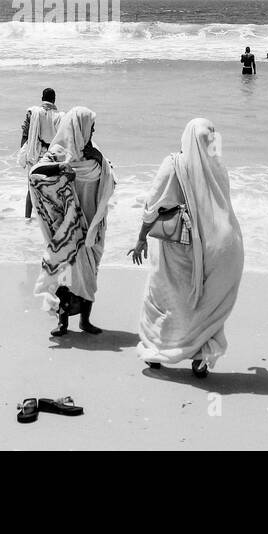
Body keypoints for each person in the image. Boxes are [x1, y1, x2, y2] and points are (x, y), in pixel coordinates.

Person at [128, 118, 243, 377]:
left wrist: (141, 238)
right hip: (216, 250)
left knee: (166, 299)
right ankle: (200, 357)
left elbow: (153, 205)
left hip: (176, 250)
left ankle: (156, 351)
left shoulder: (175, 164)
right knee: (201, 304)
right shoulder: (218, 168)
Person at [28, 107, 115, 337]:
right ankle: (62, 322)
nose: (93, 130)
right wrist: (60, 167)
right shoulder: (57, 152)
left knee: (89, 273)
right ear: (78, 127)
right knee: (65, 274)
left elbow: (110, 182)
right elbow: (35, 173)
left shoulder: (96, 154)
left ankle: (85, 321)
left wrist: (101, 162)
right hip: (68, 227)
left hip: (92, 226)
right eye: (90, 126)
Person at [18, 88, 61, 218]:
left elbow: (25, 134)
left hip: (34, 153)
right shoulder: (59, 116)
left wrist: (24, 151)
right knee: (49, 190)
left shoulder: (32, 112)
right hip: (50, 155)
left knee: (31, 189)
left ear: (42, 98)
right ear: (54, 99)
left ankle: (27, 219)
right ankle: (47, 221)